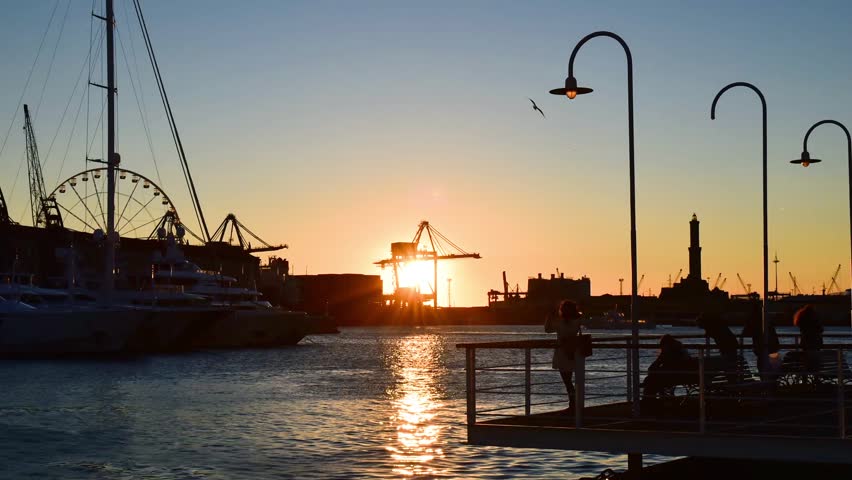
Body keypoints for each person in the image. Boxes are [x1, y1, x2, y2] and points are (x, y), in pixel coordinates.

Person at [545, 299, 582, 412]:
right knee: (571, 380)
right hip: (574, 352)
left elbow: (547, 329)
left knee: (567, 381)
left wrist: (549, 316)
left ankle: (573, 403)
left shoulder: (560, 322)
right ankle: (575, 402)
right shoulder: (577, 321)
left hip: (562, 353)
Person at [642, 334, 697, 401]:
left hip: (672, 377)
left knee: (650, 381)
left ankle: (648, 401)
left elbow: (653, 367)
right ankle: (658, 399)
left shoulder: (668, 352)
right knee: (653, 379)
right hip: (682, 376)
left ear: (665, 345)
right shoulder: (681, 351)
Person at [741, 300, 780, 379]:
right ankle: (771, 387)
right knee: (772, 373)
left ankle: (765, 386)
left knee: (762, 370)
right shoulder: (766, 317)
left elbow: (745, 333)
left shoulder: (753, 319)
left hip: (762, 349)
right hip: (773, 348)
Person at [696, 312, 739, 381]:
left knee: (729, 361)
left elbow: (710, 333)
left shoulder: (712, 326)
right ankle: (732, 379)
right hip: (729, 344)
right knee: (730, 362)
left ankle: (731, 379)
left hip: (727, 345)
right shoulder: (716, 324)